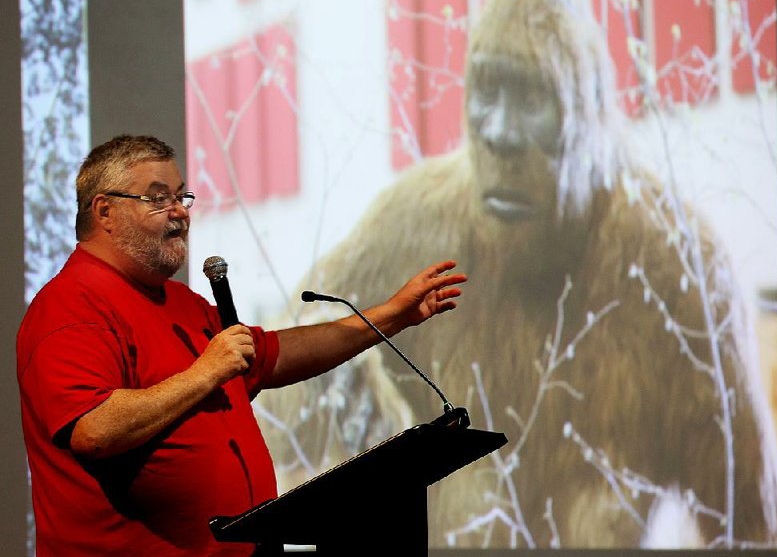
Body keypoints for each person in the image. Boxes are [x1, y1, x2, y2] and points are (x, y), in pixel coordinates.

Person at [16, 134, 467, 556]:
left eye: (181, 196)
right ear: (104, 212)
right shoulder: (71, 305)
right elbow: (94, 431)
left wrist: (391, 316)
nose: (180, 211)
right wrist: (205, 372)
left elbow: (275, 355)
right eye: (158, 198)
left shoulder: (180, 302)